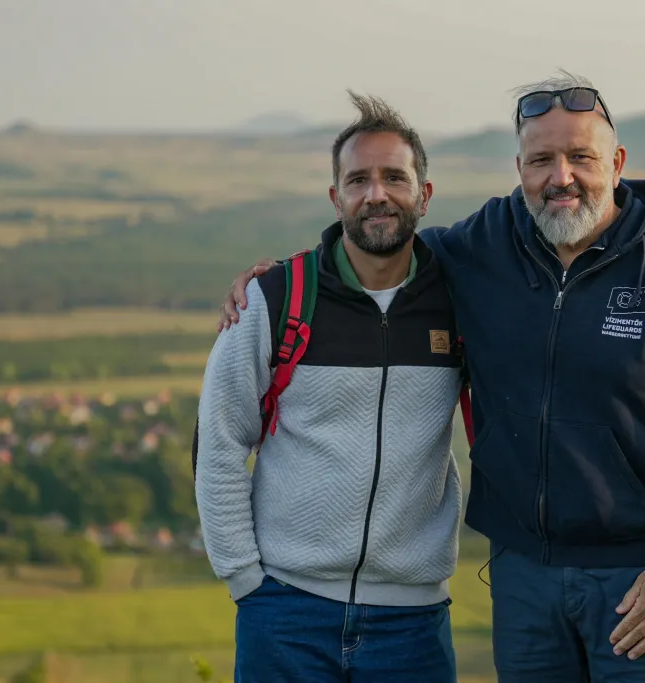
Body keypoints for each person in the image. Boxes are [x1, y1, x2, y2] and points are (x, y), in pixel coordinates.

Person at [217, 71, 645, 682]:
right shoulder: (482, 246)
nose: (561, 177)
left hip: (640, 579)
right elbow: (379, 247)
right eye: (541, 161)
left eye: (581, 157)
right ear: (519, 169)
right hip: (522, 576)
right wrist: (278, 280)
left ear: (616, 164)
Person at [194, 91, 465, 683]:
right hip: (285, 612)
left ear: (424, 194)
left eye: (394, 177)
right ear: (335, 196)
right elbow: (218, 441)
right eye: (358, 180)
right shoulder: (276, 298)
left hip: (412, 623)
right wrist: (245, 580)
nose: (376, 194)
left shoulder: (460, 299)